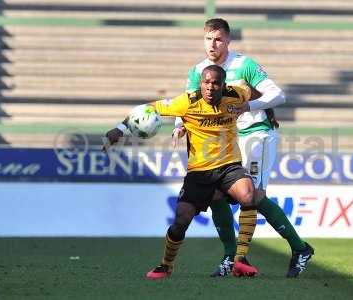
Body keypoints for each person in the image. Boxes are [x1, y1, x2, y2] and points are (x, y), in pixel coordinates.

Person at [105, 65, 303, 280]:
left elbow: (255, 92)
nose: (210, 87)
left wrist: (265, 112)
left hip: (229, 165)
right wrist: (119, 130)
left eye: (215, 83)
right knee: (180, 222)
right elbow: (149, 108)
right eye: (206, 82)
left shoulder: (235, 95)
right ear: (201, 83)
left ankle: (239, 259)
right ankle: (166, 265)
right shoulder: (187, 102)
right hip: (199, 172)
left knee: (249, 195)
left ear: (223, 85)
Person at [172, 18, 313, 278]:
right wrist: (180, 125)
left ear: (228, 40)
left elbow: (278, 95)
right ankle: (232, 256)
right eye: (208, 39)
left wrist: (249, 106)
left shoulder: (244, 65)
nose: (212, 44)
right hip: (227, 141)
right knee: (214, 193)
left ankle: (296, 249)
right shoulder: (198, 71)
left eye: (218, 39)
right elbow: (187, 104)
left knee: (253, 195)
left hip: (257, 134)